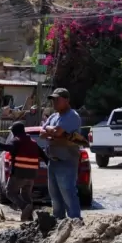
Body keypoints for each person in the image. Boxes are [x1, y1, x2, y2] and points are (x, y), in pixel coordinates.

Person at [40, 88, 84, 220]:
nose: (54, 102)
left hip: (66, 160)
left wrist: (51, 132)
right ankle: (58, 222)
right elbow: (41, 132)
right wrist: (49, 131)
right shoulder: (54, 116)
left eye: (57, 99)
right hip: (52, 161)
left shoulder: (72, 116)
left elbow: (58, 132)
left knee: (68, 193)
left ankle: (75, 222)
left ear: (66, 100)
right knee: (55, 196)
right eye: (53, 100)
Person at [0, 121, 48, 221]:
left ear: (15, 131)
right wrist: (49, 163)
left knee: (10, 192)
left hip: (19, 174)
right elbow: (43, 155)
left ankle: (24, 206)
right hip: (32, 175)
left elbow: (7, 148)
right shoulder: (33, 143)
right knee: (26, 194)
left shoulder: (16, 140)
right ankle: (28, 217)